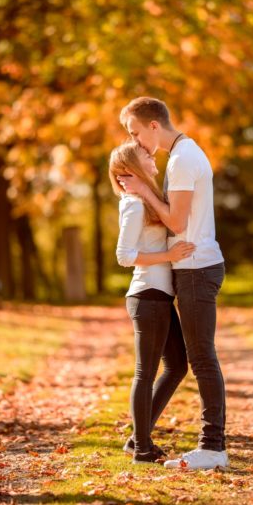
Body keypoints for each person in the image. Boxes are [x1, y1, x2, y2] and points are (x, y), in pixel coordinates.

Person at [117, 97, 229, 470]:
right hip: (190, 269)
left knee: (200, 359)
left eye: (135, 132)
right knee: (187, 361)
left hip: (196, 269)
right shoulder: (183, 155)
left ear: (153, 126)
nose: (135, 141)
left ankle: (212, 447)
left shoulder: (181, 160)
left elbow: (177, 224)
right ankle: (140, 438)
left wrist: (144, 191)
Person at [109, 141, 195, 464]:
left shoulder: (147, 200)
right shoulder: (132, 204)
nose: (152, 157)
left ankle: (138, 438)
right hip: (147, 296)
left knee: (177, 366)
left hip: (160, 297)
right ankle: (142, 448)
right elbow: (124, 256)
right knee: (145, 372)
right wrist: (168, 256)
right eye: (146, 154)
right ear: (132, 166)